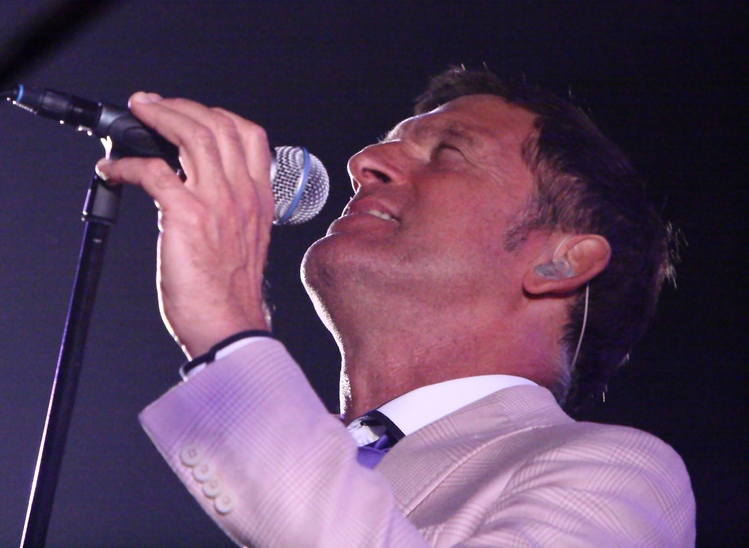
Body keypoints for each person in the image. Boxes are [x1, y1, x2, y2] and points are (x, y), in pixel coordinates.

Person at [95, 68, 695, 546]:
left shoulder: (620, 473)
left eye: (448, 153)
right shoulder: (272, 458)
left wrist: (229, 328)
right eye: (385, 145)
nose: (362, 163)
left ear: (559, 263)